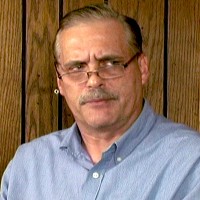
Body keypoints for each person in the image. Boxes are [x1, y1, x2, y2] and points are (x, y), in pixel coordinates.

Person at [1, 4, 200, 200]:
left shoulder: (191, 163)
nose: (94, 81)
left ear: (142, 68)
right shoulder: (27, 165)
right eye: (77, 67)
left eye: (110, 63)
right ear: (60, 81)